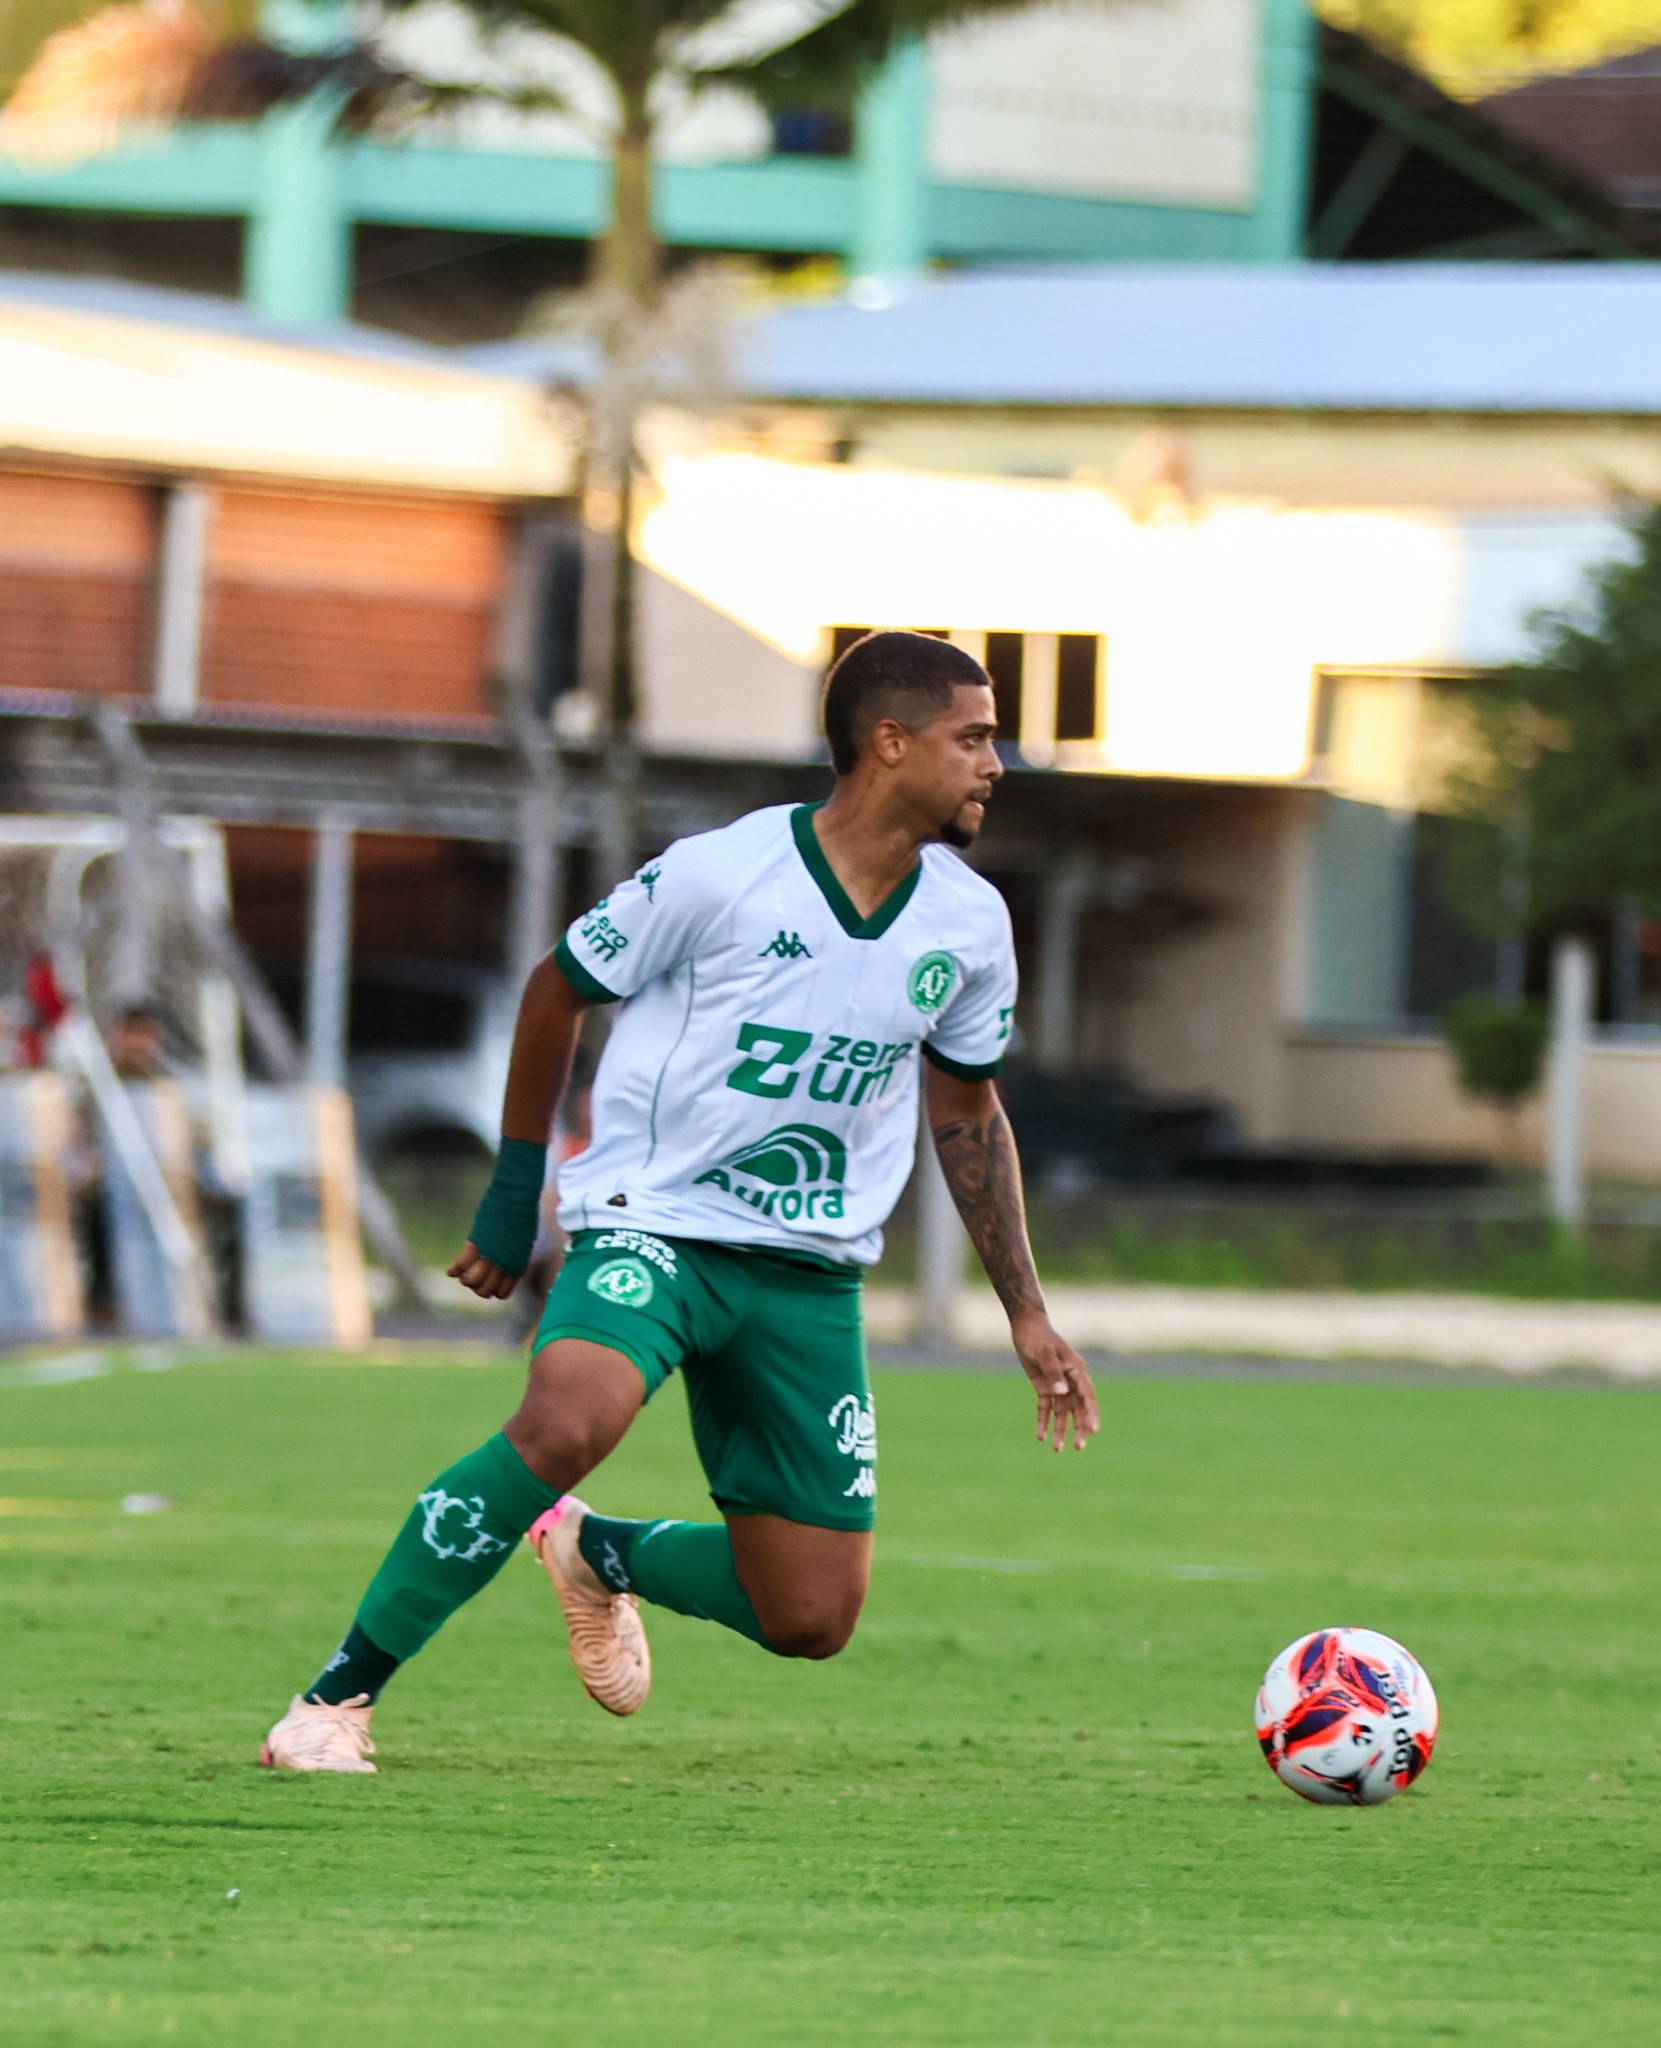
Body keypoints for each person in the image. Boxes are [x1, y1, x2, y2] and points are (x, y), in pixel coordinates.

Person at [262, 630, 1099, 1774]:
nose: (993, 762)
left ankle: (598, 1552)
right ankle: (333, 1701)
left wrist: (1026, 1308)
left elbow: (965, 1111)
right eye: (973, 737)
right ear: (889, 742)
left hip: (807, 1270)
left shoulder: (967, 923)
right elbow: (557, 986)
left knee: (809, 1615)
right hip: (654, 1225)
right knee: (565, 1420)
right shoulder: (723, 873)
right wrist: (517, 1196)